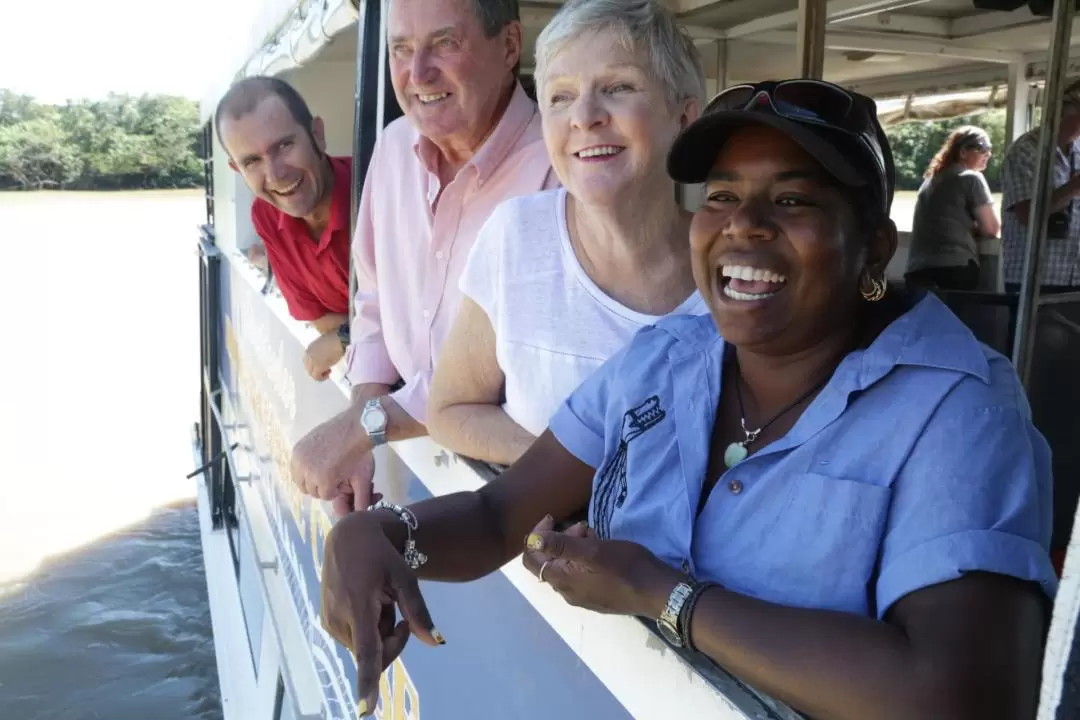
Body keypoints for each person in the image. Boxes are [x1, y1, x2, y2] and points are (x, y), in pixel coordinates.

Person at [318, 79, 1056, 719]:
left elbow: (959, 699)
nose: (744, 224)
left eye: (792, 199)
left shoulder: (962, 414)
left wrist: (660, 591)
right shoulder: (669, 357)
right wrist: (385, 537)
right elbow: (496, 514)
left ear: (872, 248)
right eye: (723, 196)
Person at [288, 0, 557, 515]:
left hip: (509, 497)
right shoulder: (392, 147)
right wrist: (362, 422)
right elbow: (373, 300)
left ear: (508, 47)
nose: (417, 74)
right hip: (421, 468)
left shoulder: (560, 167)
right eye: (401, 49)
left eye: (445, 43)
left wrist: (362, 427)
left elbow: (514, 374)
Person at [426, 0, 707, 467]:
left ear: (684, 117)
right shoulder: (516, 237)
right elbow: (451, 410)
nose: (584, 116)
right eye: (560, 96)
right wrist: (581, 476)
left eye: (618, 87)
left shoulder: (735, 265)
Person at [216, 76, 353, 382]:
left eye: (284, 145)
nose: (275, 174)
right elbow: (320, 322)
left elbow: (424, 315)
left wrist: (344, 337)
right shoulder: (265, 215)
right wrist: (351, 333)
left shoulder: (378, 190)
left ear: (317, 135)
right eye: (252, 161)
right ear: (237, 170)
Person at [1002, 78, 1080, 292]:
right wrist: (1073, 188)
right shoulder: (1026, 151)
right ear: (1067, 112)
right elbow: (1027, 214)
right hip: (1038, 277)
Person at [904, 125, 999, 291]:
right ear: (962, 152)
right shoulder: (971, 178)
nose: (988, 153)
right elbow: (991, 229)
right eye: (981, 147)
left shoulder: (929, 181)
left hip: (917, 271)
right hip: (954, 269)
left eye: (989, 149)